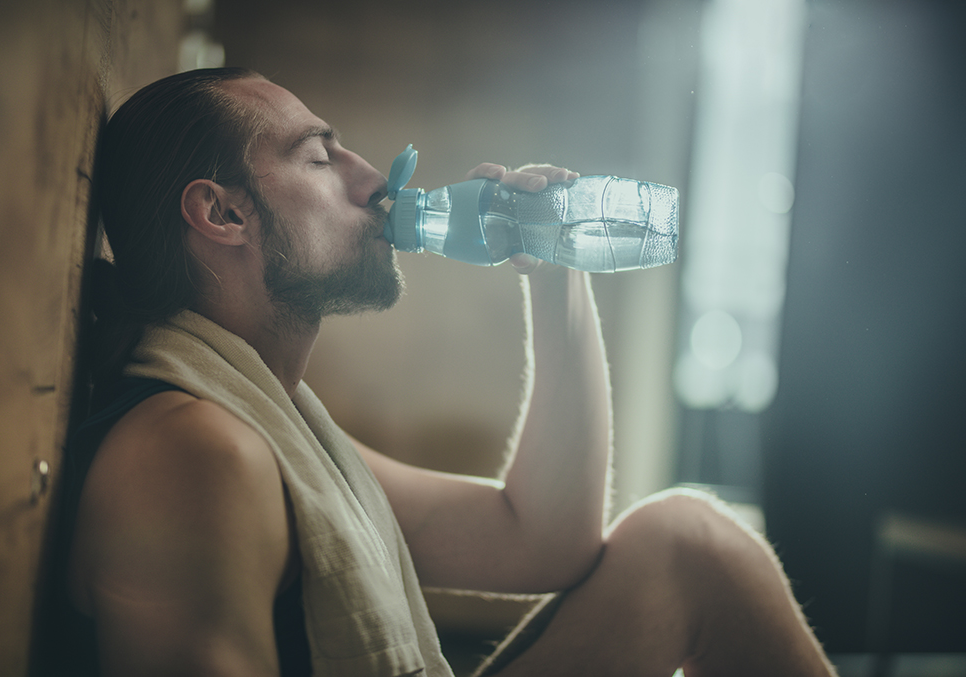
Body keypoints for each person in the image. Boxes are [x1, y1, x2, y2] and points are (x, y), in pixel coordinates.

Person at [53, 66, 838, 676]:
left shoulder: (272, 432)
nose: (376, 182)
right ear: (222, 214)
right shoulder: (192, 454)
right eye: (321, 157)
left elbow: (544, 538)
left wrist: (554, 268)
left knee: (689, 542)